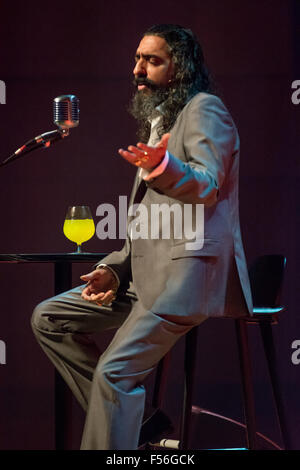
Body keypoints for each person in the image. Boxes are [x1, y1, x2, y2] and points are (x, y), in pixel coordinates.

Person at [31, 24, 253, 450]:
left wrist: (164, 169)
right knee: (49, 318)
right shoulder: (160, 121)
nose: (139, 69)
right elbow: (148, 224)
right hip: (141, 279)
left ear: (180, 68)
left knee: (115, 373)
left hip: (182, 279)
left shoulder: (204, 109)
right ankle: (144, 425)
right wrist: (113, 271)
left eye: (152, 61)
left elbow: (207, 185)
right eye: (137, 59)